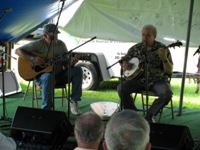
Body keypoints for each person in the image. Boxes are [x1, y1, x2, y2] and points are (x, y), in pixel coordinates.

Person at [15, 23, 83, 115]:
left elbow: (66, 65)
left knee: (78, 71)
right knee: (48, 76)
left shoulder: (61, 45)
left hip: (59, 75)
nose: (55, 38)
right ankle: (46, 111)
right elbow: (18, 51)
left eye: (56, 35)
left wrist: (72, 62)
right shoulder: (38, 44)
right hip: (42, 77)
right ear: (45, 36)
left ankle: (73, 100)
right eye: (52, 36)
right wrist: (33, 59)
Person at [117, 24, 173, 122]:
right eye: (143, 35)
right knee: (121, 88)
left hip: (157, 80)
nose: (144, 37)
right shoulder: (136, 48)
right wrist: (125, 66)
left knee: (167, 94)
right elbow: (123, 61)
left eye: (148, 35)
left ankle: (149, 116)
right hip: (139, 80)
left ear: (154, 36)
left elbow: (169, 70)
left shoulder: (162, 49)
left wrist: (164, 58)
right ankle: (132, 114)